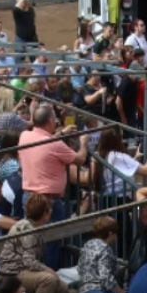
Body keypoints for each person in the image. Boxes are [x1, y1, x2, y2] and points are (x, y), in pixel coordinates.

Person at [18, 104, 90, 269]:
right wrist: (84, 143)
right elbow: (80, 159)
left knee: (33, 241)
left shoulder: (24, 136)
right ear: (50, 121)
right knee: (51, 243)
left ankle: (38, 275)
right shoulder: (55, 144)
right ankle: (51, 277)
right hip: (47, 201)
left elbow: (44, 141)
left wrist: (61, 134)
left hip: (29, 197)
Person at [0, 193, 71, 293]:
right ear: (45, 213)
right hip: (12, 273)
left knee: (62, 287)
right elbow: (28, 261)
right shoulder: (27, 229)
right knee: (48, 279)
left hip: (24, 270)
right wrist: (48, 269)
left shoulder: (37, 227)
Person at [77, 216, 125, 293]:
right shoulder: (105, 249)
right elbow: (106, 278)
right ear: (110, 233)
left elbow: (80, 268)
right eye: (115, 233)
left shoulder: (87, 245)